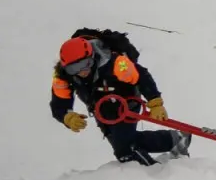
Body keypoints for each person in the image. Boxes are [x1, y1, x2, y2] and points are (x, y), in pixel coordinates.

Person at [51, 30, 189, 165]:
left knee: (125, 152)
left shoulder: (115, 63)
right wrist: (67, 117)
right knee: (125, 143)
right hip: (101, 112)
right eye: (73, 68)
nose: (81, 71)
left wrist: (155, 103)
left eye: (85, 64)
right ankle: (175, 139)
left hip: (127, 105)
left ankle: (154, 176)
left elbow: (141, 76)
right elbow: (59, 104)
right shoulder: (63, 77)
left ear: (92, 56)